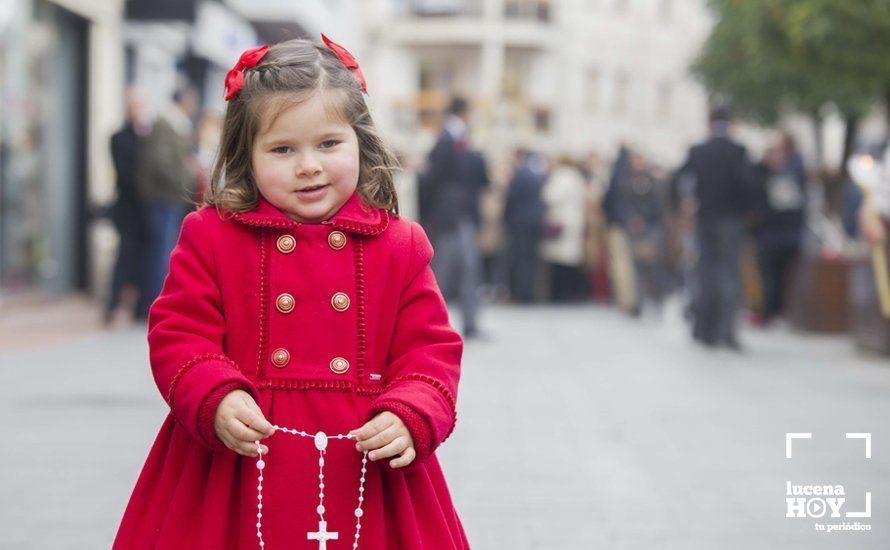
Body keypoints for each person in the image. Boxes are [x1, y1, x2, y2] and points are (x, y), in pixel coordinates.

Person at [114, 38, 468, 549]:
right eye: (282, 149)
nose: (308, 165)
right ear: (247, 155)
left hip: (364, 469)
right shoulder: (211, 235)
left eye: (328, 144)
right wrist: (215, 394)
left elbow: (430, 351)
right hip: (235, 467)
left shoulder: (399, 246)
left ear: (360, 143)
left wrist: (411, 411)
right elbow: (179, 332)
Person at [673, 105, 750, 350]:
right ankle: (725, 331)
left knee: (705, 272)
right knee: (729, 275)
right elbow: (748, 184)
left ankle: (703, 330)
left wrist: (682, 207)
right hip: (730, 220)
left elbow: (676, 180)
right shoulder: (738, 151)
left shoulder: (698, 151)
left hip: (705, 219)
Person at [419, 98, 488, 337]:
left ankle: (462, 323)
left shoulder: (455, 139)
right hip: (452, 216)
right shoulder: (449, 140)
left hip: (455, 216)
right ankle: (431, 325)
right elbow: (433, 181)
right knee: (449, 272)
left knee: (463, 269)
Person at [137, 85, 200, 305]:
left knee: (164, 249)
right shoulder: (166, 124)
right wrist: (185, 178)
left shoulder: (177, 124)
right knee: (160, 251)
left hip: (170, 197)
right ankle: (156, 301)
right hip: (164, 197)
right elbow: (161, 163)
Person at [749, 135, 807, 323]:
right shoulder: (762, 174)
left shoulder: (793, 173)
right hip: (768, 236)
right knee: (768, 277)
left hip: (786, 235)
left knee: (784, 278)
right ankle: (769, 312)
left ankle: (779, 312)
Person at [104, 87, 150, 323]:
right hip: (127, 208)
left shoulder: (145, 136)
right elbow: (124, 174)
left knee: (144, 256)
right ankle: (112, 306)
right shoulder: (118, 137)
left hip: (144, 209)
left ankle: (140, 307)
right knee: (124, 256)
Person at [540, 156, 589, 301]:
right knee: (571, 260)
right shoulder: (577, 177)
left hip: (561, 221)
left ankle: (560, 294)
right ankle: (571, 292)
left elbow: (549, 197)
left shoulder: (561, 177)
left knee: (560, 261)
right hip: (574, 220)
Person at [504, 148, 547, 303]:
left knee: (521, 260)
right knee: (530, 260)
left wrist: (506, 217)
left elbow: (511, 199)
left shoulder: (520, 174)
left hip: (520, 222)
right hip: (534, 221)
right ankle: (528, 293)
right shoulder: (535, 175)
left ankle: (522, 294)